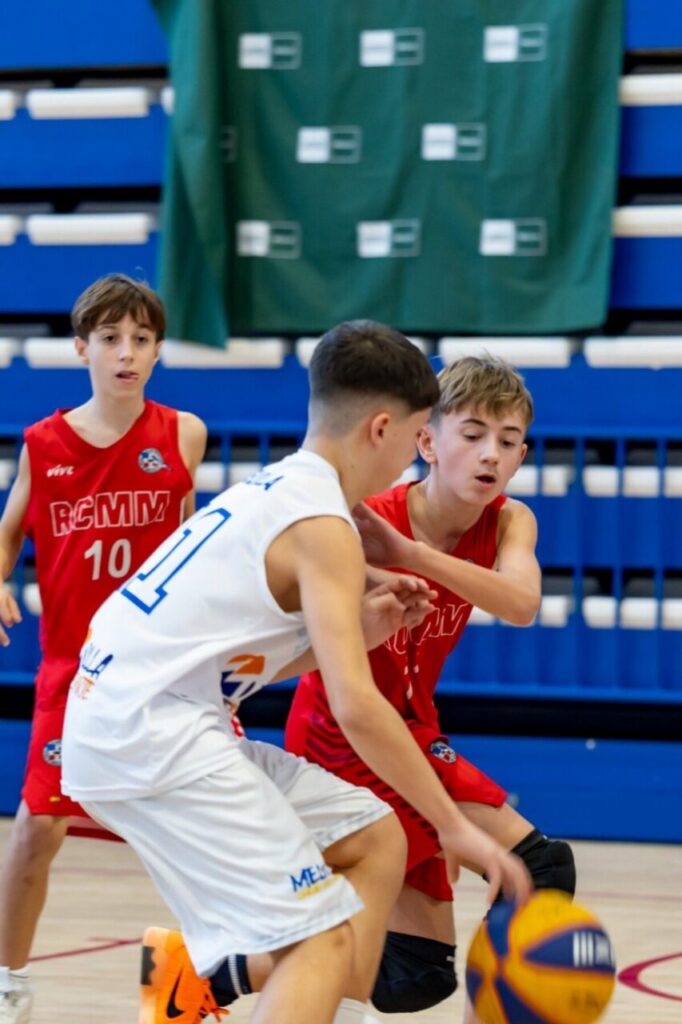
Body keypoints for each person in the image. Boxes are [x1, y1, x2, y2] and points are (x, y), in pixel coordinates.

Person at [60, 322, 530, 1024]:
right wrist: (452, 826)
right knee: (318, 936)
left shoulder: (281, 487)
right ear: (382, 429)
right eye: (412, 439)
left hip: (141, 716)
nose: (410, 457)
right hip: (148, 736)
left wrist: (362, 627)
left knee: (378, 842)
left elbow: (235, 658)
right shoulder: (322, 525)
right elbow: (357, 706)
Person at [285, 355, 576, 1022]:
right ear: (426, 441)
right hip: (341, 729)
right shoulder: (366, 519)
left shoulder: (509, 522)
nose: (489, 455)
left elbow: (522, 602)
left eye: (507, 442)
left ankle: (241, 965)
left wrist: (412, 556)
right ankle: (256, 961)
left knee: (416, 980)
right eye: (472, 434)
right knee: (539, 866)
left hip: (413, 728)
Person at [0, 273, 207, 1024]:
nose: (127, 353)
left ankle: (190, 989)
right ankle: (8, 982)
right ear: (82, 348)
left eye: (142, 340)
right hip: (76, 670)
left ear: (156, 351)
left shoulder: (183, 432)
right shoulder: (43, 444)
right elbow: (7, 532)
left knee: (203, 830)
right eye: (112, 339)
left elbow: (192, 545)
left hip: (166, 667)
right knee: (37, 827)